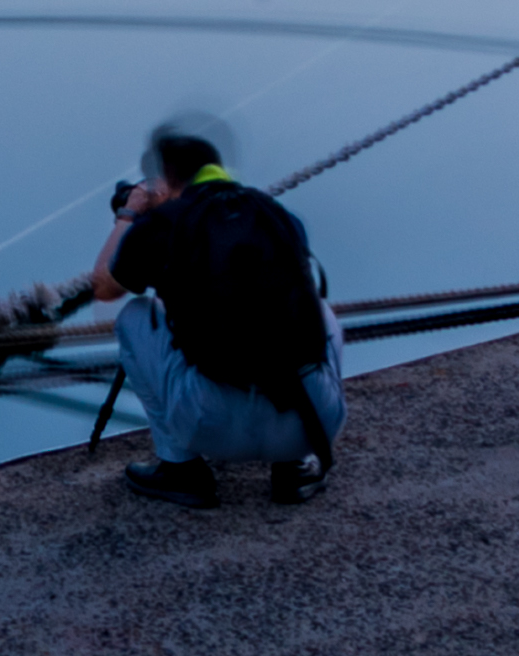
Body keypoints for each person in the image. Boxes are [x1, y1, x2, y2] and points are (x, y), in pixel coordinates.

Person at [81, 122, 343, 508]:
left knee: (134, 317)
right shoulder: (274, 214)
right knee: (318, 309)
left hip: (213, 426)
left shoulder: (162, 225)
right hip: (313, 423)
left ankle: (180, 470)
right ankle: (295, 468)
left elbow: (104, 287)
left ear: (166, 179)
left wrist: (130, 213)